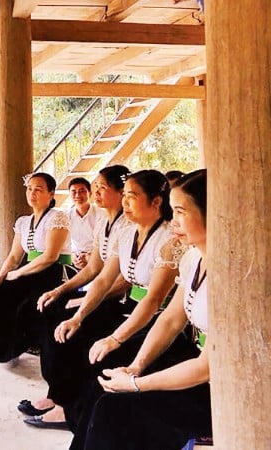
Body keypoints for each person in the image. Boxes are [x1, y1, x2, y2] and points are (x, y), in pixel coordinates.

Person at [51, 170, 187, 449]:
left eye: (132, 196)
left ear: (156, 201)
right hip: (131, 311)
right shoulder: (126, 234)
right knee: (74, 333)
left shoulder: (169, 241)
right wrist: (78, 316)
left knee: (105, 364)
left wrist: (114, 339)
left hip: (156, 322)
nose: (125, 202)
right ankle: (69, 411)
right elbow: (102, 278)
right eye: (124, 195)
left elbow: (153, 302)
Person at [84, 169, 210, 449]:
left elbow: (208, 367)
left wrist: (138, 384)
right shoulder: (193, 258)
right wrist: (135, 368)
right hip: (197, 363)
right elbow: (169, 320)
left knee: (116, 409)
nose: (173, 220)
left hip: (223, 384)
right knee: (104, 382)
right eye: (172, 210)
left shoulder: (233, 273)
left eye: (180, 212)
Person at [20, 165, 132, 429]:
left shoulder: (128, 224)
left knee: (70, 330)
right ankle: (55, 392)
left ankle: (65, 405)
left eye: (102, 188)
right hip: (100, 292)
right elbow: (94, 269)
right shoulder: (104, 220)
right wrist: (60, 290)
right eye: (96, 187)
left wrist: (85, 304)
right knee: (49, 312)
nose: (96, 193)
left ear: (120, 192)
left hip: (117, 300)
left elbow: (120, 281)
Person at [0, 172, 72, 365]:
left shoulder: (57, 217)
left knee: (26, 303)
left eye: (39, 189)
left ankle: (23, 344)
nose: (32, 193)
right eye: (29, 189)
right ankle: (2, 350)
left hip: (53, 272)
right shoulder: (23, 221)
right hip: (29, 269)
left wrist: (17, 273)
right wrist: (1, 275)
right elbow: (14, 256)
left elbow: (50, 256)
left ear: (51, 194)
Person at [67, 177, 103, 270]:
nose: (77, 195)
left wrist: (89, 256)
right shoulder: (66, 216)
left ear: (90, 193)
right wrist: (73, 256)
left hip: (97, 257)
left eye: (82, 191)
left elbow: (103, 241)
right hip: (75, 259)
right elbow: (65, 243)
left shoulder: (101, 214)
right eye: (73, 191)